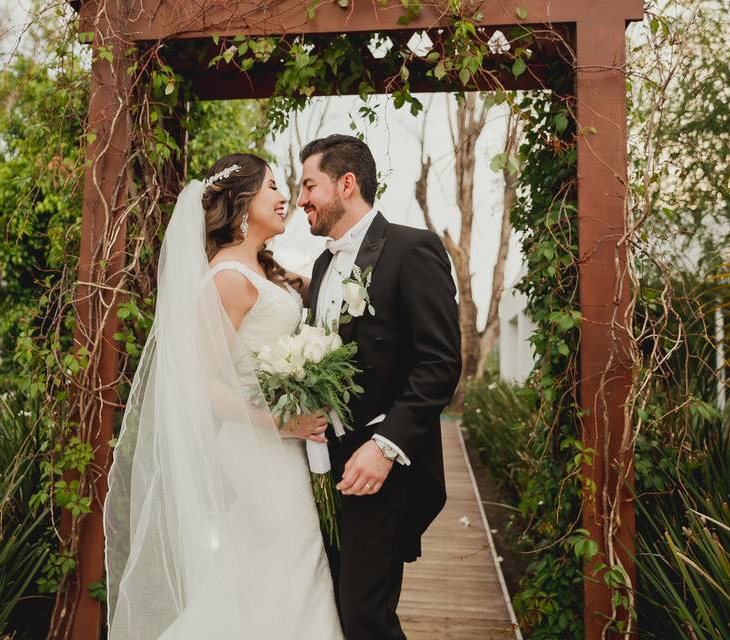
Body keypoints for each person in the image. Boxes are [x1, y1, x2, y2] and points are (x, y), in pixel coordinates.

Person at [103, 153, 344, 640]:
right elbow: (203, 385)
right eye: (273, 187)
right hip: (255, 443)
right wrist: (280, 423)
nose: (284, 199)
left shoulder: (260, 268)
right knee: (296, 554)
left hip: (279, 443)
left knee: (262, 564)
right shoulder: (229, 279)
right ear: (240, 201)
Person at [300, 134, 462, 639]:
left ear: (346, 184)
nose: (301, 199)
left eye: (310, 185)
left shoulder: (413, 249)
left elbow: (440, 363)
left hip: (382, 467)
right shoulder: (323, 266)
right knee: (335, 606)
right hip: (322, 466)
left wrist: (385, 447)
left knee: (365, 614)